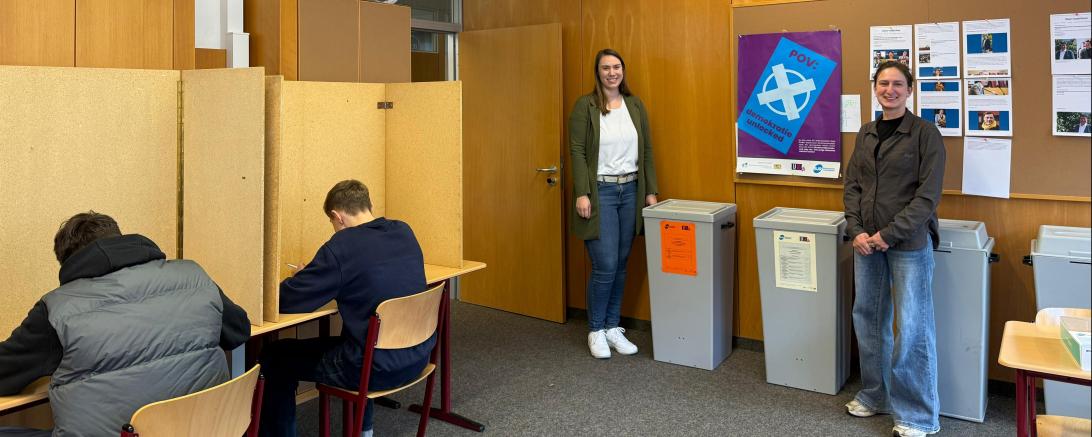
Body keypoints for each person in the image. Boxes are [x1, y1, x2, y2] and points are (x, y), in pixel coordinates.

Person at [0, 211, 250, 437]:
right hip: (206, 430)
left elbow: (6, 372)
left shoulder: (57, 309)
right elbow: (239, 331)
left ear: (68, 263)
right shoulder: (194, 276)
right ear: (120, 238)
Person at [259, 179, 433, 437]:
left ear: (336, 216)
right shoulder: (403, 231)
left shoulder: (342, 246)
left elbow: (290, 300)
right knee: (360, 335)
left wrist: (301, 278)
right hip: (418, 356)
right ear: (367, 205)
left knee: (275, 356)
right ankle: (365, 431)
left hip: (374, 369)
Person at [843, 61, 946, 437]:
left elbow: (926, 198)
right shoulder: (866, 133)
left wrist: (887, 234)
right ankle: (875, 395)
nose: (890, 89)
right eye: (883, 83)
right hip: (865, 244)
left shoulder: (924, 134)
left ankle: (918, 415)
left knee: (913, 328)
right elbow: (852, 184)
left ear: (910, 89)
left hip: (908, 244)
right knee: (867, 319)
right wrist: (855, 230)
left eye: (898, 84)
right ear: (875, 88)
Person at [569, 48, 659, 359]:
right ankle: (595, 330)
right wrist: (583, 192)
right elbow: (578, 152)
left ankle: (611, 327)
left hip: (631, 191)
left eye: (616, 67)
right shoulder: (586, 106)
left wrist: (651, 193)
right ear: (599, 72)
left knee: (621, 264)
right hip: (601, 193)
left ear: (623, 70)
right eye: (606, 67)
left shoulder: (635, 105)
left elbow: (646, 151)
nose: (612, 72)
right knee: (605, 264)